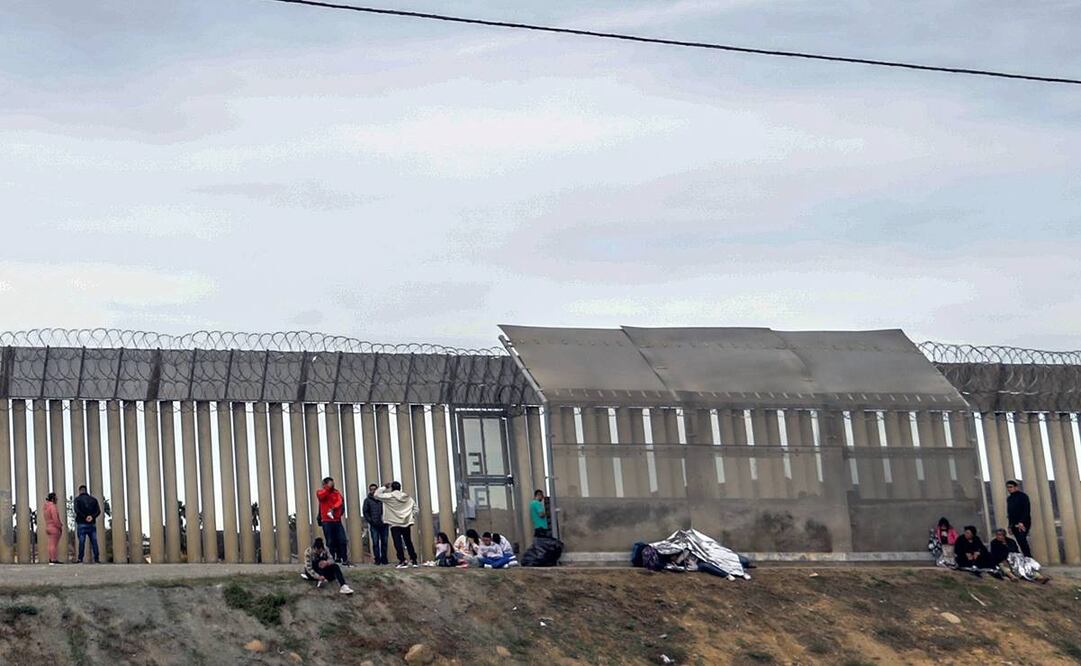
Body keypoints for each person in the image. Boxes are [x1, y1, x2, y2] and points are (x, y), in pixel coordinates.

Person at [375, 481, 418, 568]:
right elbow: (416, 508)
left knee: (397, 542)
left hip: (394, 523)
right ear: (400, 488)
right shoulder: (407, 497)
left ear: (392, 488)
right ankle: (414, 560)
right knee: (408, 541)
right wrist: (410, 516)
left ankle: (402, 560)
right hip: (406, 522)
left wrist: (384, 487)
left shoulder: (389, 497)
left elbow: (376, 495)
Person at [316, 477, 349, 565]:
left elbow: (340, 501)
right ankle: (331, 559)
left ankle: (344, 559)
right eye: (330, 483)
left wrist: (334, 508)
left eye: (332, 483)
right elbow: (321, 497)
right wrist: (327, 488)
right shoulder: (320, 492)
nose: (332, 485)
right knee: (330, 541)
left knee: (342, 539)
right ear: (325, 484)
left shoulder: (336, 492)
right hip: (326, 521)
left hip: (337, 520)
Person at [73, 484, 101, 564]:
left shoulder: (77, 500)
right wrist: (92, 517)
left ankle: (80, 559)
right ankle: (96, 558)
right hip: (92, 523)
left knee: (82, 541)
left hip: (81, 523)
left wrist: (85, 517)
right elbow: (98, 511)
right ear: (86, 490)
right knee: (94, 541)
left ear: (80, 491)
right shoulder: (94, 500)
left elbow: (77, 511)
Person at [363, 483, 389, 565]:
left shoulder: (383, 499)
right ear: (369, 490)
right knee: (375, 542)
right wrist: (371, 521)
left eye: (375, 489)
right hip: (374, 525)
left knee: (384, 542)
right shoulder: (367, 500)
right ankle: (377, 559)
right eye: (371, 489)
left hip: (384, 524)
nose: (373, 491)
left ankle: (384, 558)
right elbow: (365, 512)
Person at [1006, 480, 1033, 558]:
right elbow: (1010, 512)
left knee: (1022, 539)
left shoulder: (1023, 496)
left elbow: (1026, 510)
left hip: (1023, 522)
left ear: (1016, 487)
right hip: (1014, 523)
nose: (1009, 489)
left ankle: (1028, 557)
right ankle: (1026, 556)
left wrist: (1022, 522)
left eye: (1011, 487)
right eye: (1008, 487)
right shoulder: (1009, 498)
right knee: (1019, 541)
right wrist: (1010, 526)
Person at [43, 492, 64, 565]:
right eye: (56, 498)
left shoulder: (46, 508)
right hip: (54, 528)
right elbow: (55, 518)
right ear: (53, 499)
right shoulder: (53, 507)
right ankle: (53, 559)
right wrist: (59, 526)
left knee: (50, 544)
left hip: (48, 527)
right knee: (54, 545)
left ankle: (51, 558)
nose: (57, 499)